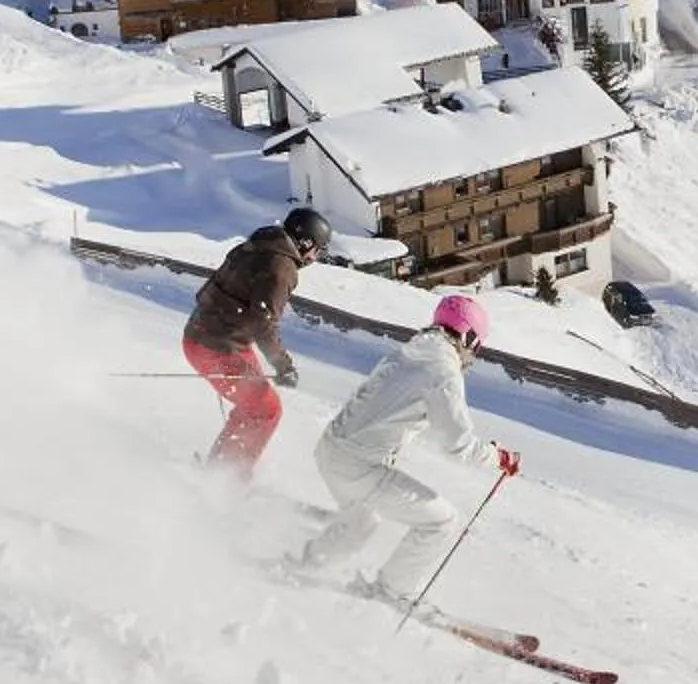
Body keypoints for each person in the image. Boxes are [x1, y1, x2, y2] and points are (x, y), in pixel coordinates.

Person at [297, 293, 521, 603]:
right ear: (467, 336)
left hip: (331, 449)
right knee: (440, 522)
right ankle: (392, 591)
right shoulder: (443, 371)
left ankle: (310, 564)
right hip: (359, 466)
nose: (474, 354)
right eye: (477, 345)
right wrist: (499, 456)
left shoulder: (406, 352)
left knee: (362, 519)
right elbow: (458, 446)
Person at [182, 206, 329, 476]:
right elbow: (264, 324)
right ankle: (227, 480)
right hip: (214, 346)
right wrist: (284, 365)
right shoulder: (281, 267)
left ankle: (222, 466)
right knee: (266, 409)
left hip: (211, 336)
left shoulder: (260, 244)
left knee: (255, 405)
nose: (316, 257)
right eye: (318, 249)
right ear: (305, 243)